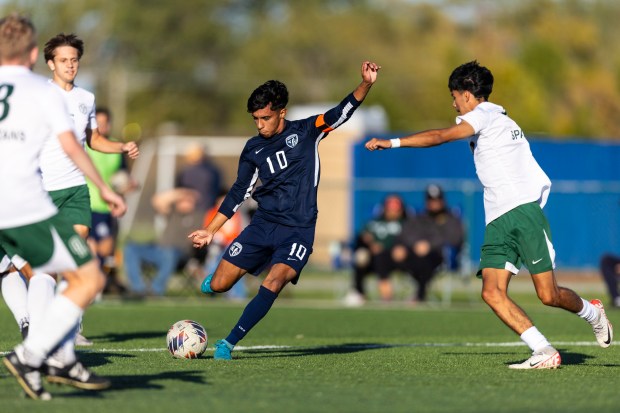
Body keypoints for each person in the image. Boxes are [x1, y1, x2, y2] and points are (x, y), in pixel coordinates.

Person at [365, 61, 612, 369]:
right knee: (492, 292)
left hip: (522, 214)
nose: (453, 103)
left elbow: (441, 136)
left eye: (454, 95)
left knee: (548, 295)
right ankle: (544, 350)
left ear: (467, 94)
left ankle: (592, 312)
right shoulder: (496, 119)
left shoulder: (484, 115)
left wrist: (393, 142)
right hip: (497, 220)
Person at [189, 60, 381, 360]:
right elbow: (239, 192)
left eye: (265, 117)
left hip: (299, 230)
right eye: (255, 119)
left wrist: (366, 84)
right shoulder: (253, 149)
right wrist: (210, 231)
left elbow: (341, 112)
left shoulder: (307, 130)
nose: (260, 124)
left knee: (274, 281)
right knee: (219, 284)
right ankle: (214, 281)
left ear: (282, 111)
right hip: (263, 225)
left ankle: (228, 342)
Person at [0, 13, 126, 399]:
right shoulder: (41, 91)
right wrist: (105, 186)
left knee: (45, 271)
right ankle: (42, 354)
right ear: (35, 55)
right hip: (25, 202)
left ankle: (45, 354)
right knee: (87, 278)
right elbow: (74, 144)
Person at [86, 107, 138, 295]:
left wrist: (127, 187)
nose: (101, 126)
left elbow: (121, 177)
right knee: (88, 246)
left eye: (104, 122)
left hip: (108, 206)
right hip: (85, 202)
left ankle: (97, 283)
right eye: (97, 122)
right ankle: (90, 285)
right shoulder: (84, 143)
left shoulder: (116, 146)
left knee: (106, 249)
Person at [123, 188, 204, 297]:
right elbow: (157, 200)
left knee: (169, 253)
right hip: (159, 250)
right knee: (131, 248)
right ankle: (137, 289)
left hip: (179, 255)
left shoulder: (198, 217)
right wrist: (179, 193)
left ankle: (155, 291)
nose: (184, 203)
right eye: (182, 200)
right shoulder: (173, 213)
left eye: (187, 200)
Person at [392, 184, 464, 303]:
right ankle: (383, 295)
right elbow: (405, 235)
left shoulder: (451, 219)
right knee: (390, 255)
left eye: (437, 200)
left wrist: (430, 245)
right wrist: (412, 245)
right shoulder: (419, 218)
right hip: (413, 255)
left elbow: (454, 238)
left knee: (424, 262)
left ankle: (420, 295)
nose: (434, 204)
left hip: (439, 256)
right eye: (431, 200)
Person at [344, 194, 408, 306]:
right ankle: (359, 291)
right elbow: (362, 237)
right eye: (390, 208)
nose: (392, 212)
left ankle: (387, 295)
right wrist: (369, 242)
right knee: (361, 256)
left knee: (382, 255)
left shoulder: (405, 224)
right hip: (372, 259)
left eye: (395, 209)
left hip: (394, 259)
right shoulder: (374, 223)